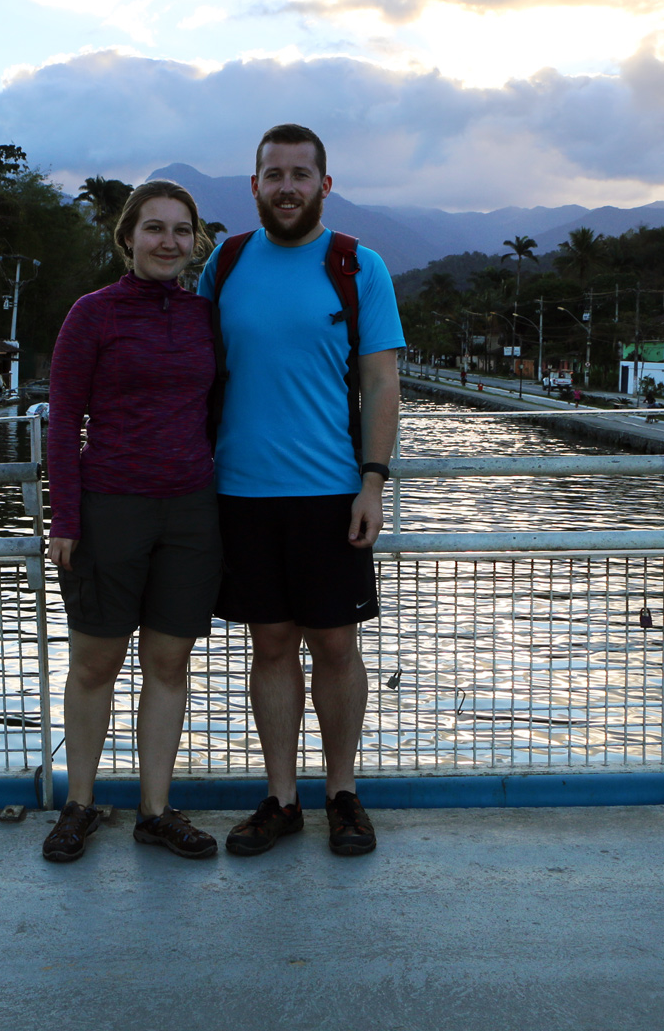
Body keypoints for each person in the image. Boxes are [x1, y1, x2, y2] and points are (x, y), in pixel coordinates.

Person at [198, 122, 404, 858]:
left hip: (330, 492)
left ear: (325, 183)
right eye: (274, 174)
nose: (287, 186)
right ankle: (280, 799)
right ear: (254, 186)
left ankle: (342, 793)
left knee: (337, 645)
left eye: (300, 174)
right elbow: (195, 374)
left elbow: (382, 382)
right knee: (271, 645)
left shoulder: (358, 266)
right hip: (241, 494)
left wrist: (373, 481)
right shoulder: (224, 265)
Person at [41, 180, 221, 863]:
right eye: (154, 228)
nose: (169, 241)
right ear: (127, 238)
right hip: (109, 507)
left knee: (169, 662)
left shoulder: (207, 317)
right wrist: (66, 516)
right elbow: (64, 421)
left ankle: (155, 810)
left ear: (194, 241)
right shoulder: (93, 315)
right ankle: (79, 804)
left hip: (191, 511)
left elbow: (218, 411)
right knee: (95, 663)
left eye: (181, 230)